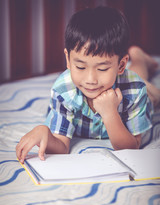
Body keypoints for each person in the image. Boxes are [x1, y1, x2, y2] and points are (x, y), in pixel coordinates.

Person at [16, 6, 160, 163]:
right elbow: (61, 146)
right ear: (68, 60)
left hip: (137, 89)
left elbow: (132, 148)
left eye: (102, 68)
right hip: (119, 79)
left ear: (120, 65)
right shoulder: (64, 91)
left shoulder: (135, 90)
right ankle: (138, 57)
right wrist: (44, 133)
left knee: (148, 88)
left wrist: (110, 113)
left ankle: (139, 58)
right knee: (135, 76)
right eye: (80, 67)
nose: (90, 79)